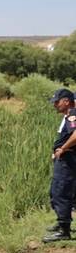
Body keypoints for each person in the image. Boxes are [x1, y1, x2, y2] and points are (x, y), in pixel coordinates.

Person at [44, 88, 76, 242]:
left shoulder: (73, 114)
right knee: (56, 192)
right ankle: (62, 223)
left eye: (57, 102)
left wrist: (63, 148)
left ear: (66, 101)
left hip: (67, 159)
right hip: (65, 158)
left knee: (60, 191)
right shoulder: (69, 115)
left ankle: (64, 231)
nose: (55, 105)